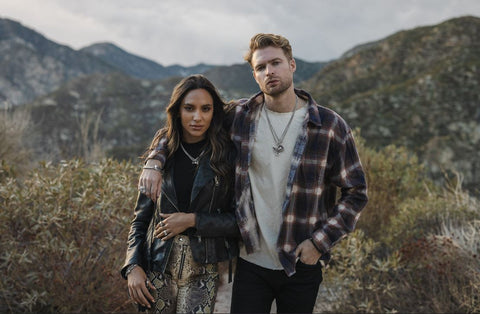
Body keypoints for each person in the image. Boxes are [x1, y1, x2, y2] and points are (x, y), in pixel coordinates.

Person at [139, 34, 368, 313]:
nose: (269, 71)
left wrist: (319, 243)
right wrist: (154, 160)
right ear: (254, 75)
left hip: (300, 261)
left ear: (292, 65)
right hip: (250, 262)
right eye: (261, 67)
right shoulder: (240, 116)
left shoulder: (330, 126)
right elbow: (188, 124)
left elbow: (356, 192)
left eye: (276, 63)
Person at [121, 74, 239, 314]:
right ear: (177, 111)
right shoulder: (162, 156)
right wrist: (132, 266)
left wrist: (192, 220)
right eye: (189, 108)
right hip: (156, 267)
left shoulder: (226, 157)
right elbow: (140, 220)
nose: (198, 117)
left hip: (203, 271)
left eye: (206, 109)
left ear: (214, 112)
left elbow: (238, 221)